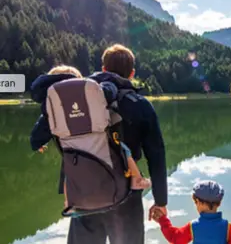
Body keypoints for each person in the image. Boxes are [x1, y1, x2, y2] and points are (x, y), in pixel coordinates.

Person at [66, 44, 167, 244]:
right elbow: (157, 156)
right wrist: (161, 201)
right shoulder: (140, 105)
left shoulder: (80, 103)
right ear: (132, 73)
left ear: (103, 69)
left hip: (85, 192)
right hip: (126, 194)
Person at [30, 65, 151, 197]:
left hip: (73, 154)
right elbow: (109, 92)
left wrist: (37, 143)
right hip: (98, 146)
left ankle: (69, 201)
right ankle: (136, 179)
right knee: (123, 149)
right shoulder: (89, 98)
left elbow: (39, 131)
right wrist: (109, 84)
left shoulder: (50, 107)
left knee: (67, 168)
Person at [152, 180, 231, 244]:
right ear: (220, 203)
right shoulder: (227, 227)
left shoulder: (193, 226)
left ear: (198, 202)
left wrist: (163, 220)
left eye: (195, 203)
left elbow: (175, 237)